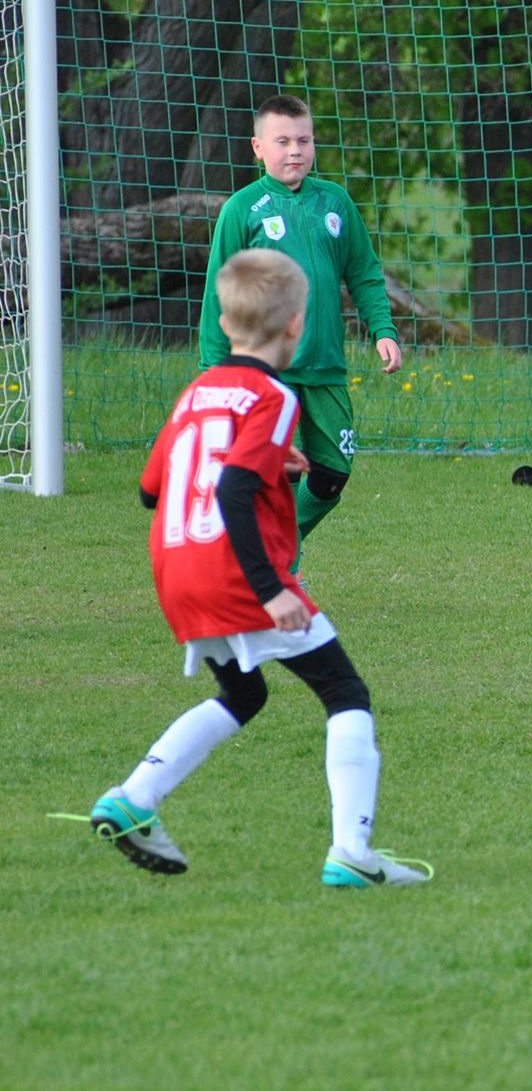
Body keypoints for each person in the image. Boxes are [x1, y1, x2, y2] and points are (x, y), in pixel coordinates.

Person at [89, 249, 431, 886]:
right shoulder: (272, 395)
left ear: (225, 320)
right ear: (298, 325)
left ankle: (134, 798)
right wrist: (271, 589)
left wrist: (271, 463)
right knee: (345, 694)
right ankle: (353, 854)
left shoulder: (197, 391)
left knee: (243, 693)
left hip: (177, 572)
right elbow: (234, 492)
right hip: (236, 574)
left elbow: (150, 492)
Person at [198, 94, 401, 558]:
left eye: (304, 140)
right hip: (267, 372)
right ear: (258, 147)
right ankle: (275, 568)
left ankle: (275, 550)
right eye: (283, 141)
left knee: (332, 475)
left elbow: (365, 273)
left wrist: (382, 329)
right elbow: (217, 294)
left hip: (325, 365)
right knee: (277, 472)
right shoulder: (242, 209)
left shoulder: (336, 202)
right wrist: (215, 369)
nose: (295, 150)